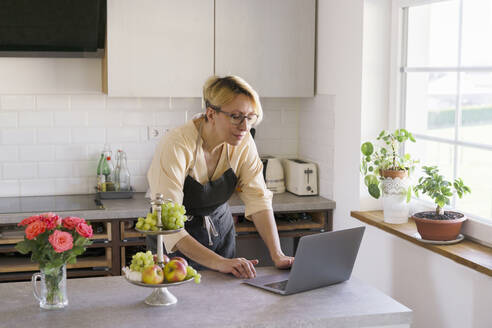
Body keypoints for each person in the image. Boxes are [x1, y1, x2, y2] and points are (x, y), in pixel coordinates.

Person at [147, 75, 294, 279]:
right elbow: (169, 225)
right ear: (211, 113)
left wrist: (278, 255)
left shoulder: (243, 141)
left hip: (220, 234)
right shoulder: (177, 144)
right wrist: (219, 263)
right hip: (176, 245)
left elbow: (258, 199)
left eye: (250, 117)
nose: (245, 127)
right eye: (236, 116)